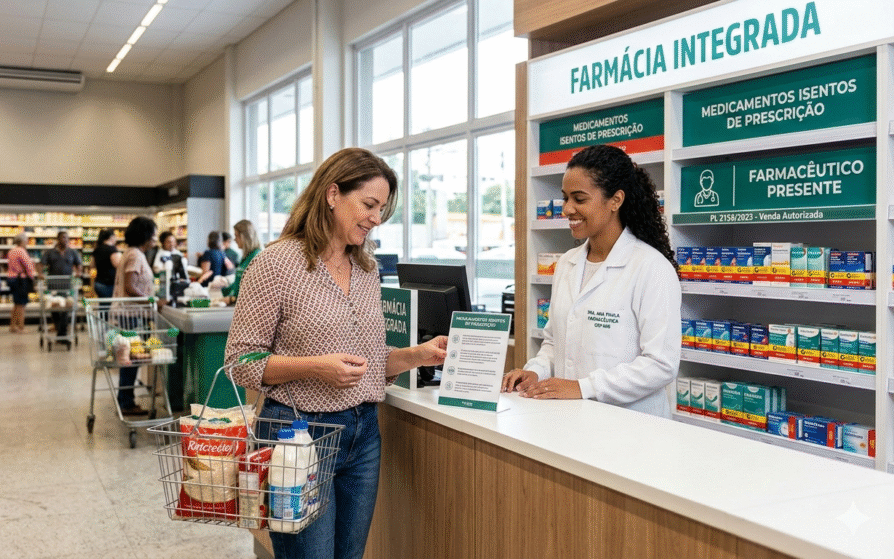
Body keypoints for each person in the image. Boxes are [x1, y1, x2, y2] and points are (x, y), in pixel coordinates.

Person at [225, 147, 448, 559]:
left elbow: (368, 360)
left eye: (382, 209)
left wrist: (418, 355)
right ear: (332, 195)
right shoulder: (276, 264)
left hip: (363, 434)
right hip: (296, 434)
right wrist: (315, 368)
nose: (377, 218)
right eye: (369, 205)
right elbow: (240, 361)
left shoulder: (366, 269)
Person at [501, 144, 681, 418]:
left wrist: (583, 387)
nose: (567, 209)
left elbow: (661, 364)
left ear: (615, 200)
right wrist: (535, 371)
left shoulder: (651, 268)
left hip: (631, 425)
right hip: (572, 418)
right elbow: (554, 342)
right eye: (565, 198)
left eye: (579, 199)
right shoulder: (567, 264)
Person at [113, 216, 160, 416]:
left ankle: (125, 399)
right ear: (145, 235)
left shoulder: (133, 253)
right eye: (154, 234)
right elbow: (130, 287)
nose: (155, 239)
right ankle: (125, 402)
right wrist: (152, 301)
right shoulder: (134, 255)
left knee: (131, 358)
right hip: (130, 315)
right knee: (131, 359)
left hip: (130, 314)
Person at [41, 231, 82, 347]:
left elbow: (79, 264)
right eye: (63, 237)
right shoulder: (50, 252)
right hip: (53, 285)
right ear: (58, 239)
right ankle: (60, 331)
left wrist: (78, 272)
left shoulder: (72, 252)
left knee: (65, 308)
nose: (66, 240)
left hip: (67, 285)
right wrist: (40, 273)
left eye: (67, 238)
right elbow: (41, 264)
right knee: (53, 308)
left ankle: (62, 334)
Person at [217, 219, 261, 305]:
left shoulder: (256, 257)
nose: (235, 240)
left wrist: (233, 299)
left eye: (236, 236)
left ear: (245, 237)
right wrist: (221, 291)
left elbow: (254, 289)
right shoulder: (245, 257)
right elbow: (238, 284)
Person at [6, 232, 37, 334]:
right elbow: (28, 266)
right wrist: (32, 278)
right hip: (21, 280)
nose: (27, 242)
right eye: (26, 240)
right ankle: (21, 327)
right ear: (22, 241)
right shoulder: (21, 251)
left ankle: (12, 326)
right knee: (21, 305)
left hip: (12, 278)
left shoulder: (11, 251)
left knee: (16, 304)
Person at [92, 228, 122, 299]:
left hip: (99, 283)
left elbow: (92, 265)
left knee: (103, 303)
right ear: (111, 237)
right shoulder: (112, 249)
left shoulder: (97, 249)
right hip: (109, 285)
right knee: (110, 304)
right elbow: (119, 266)